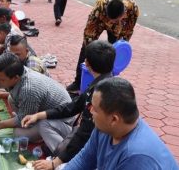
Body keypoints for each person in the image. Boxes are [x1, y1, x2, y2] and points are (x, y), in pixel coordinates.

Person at [21, 40, 115, 169]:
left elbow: (84, 134)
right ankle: (61, 157)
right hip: (82, 134)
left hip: (92, 145)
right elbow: (72, 107)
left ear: (87, 63)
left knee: (62, 162)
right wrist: (38, 115)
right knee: (44, 122)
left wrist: (55, 163)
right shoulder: (102, 82)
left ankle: (63, 162)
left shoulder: (99, 95)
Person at [64, 78, 178, 170]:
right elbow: (84, 159)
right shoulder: (104, 128)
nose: (90, 111)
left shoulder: (137, 156)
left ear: (114, 119)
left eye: (95, 109)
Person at [67, 0, 139, 93]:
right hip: (99, 21)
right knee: (86, 49)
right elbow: (89, 30)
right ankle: (78, 82)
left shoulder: (133, 9)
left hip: (117, 29)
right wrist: (89, 54)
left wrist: (121, 46)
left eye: (115, 20)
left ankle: (107, 84)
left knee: (112, 54)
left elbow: (128, 30)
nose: (111, 22)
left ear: (123, 14)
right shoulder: (100, 6)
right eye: (111, 20)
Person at [0, 35, 49, 100]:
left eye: (17, 54)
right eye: (11, 54)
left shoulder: (32, 65)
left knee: (10, 97)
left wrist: (3, 95)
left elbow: (30, 91)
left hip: (42, 97)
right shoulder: (15, 59)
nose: (14, 57)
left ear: (26, 51)